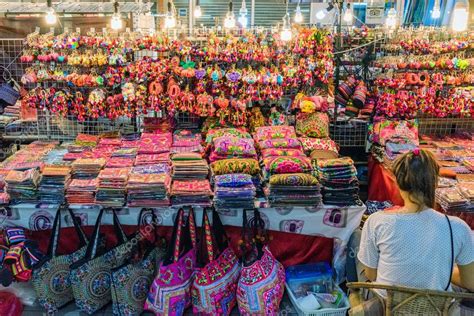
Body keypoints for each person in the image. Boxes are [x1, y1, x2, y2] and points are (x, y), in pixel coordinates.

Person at [357, 148, 474, 292]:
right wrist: (441, 269)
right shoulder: (458, 227)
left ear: (397, 183)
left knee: (357, 246)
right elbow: (471, 283)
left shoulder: (376, 222)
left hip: (388, 305)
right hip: (437, 309)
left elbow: (371, 274)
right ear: (436, 183)